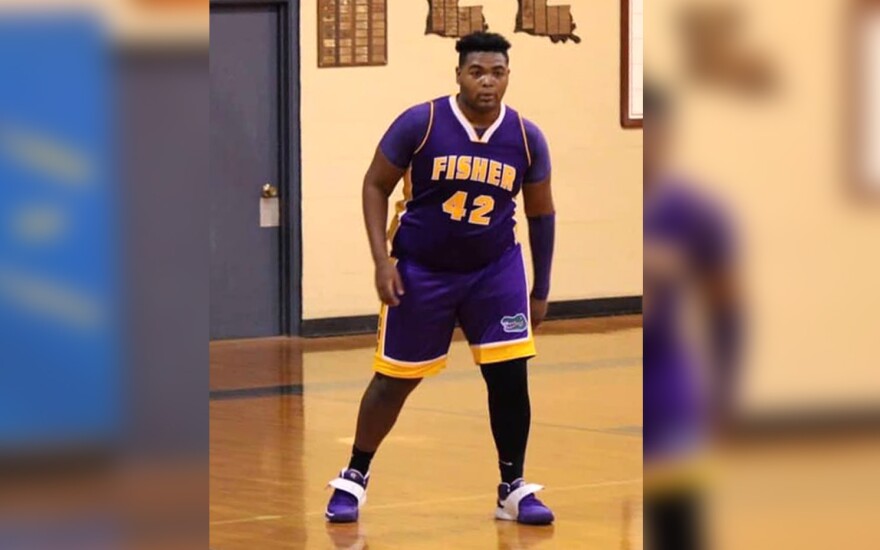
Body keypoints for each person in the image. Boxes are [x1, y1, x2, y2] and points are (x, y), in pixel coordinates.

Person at [325, 31, 557, 525]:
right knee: (393, 382)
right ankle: (354, 475)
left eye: (497, 72)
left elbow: (541, 215)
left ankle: (512, 487)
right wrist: (380, 261)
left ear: (508, 76)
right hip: (422, 271)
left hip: (494, 272)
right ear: (459, 75)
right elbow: (375, 185)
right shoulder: (422, 122)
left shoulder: (526, 137)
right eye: (477, 72)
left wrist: (541, 287)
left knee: (510, 377)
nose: (487, 82)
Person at [643, 81, 743, 550]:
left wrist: (726, 394)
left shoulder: (695, 210)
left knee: (679, 523)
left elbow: (729, 309)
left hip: (670, 388)